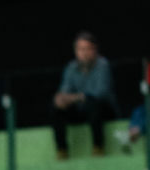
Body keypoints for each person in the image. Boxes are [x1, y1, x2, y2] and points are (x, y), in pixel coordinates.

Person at [51, 32, 118, 160]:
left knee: (93, 103)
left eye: (87, 49)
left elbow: (100, 93)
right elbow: (64, 91)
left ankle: (98, 147)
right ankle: (61, 150)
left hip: (103, 110)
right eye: (81, 49)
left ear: (95, 50)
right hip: (80, 110)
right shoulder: (71, 67)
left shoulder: (102, 65)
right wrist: (60, 99)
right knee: (56, 107)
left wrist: (76, 97)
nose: (84, 53)